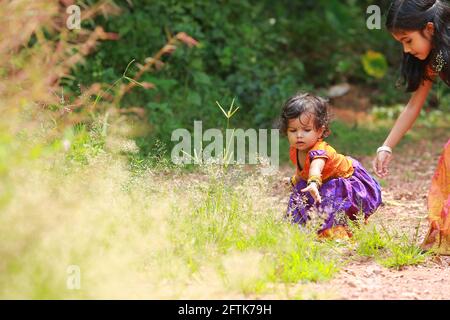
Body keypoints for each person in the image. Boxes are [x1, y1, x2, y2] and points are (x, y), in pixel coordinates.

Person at [373, 0, 450, 254]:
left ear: (429, 28)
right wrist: (386, 146)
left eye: (408, 40)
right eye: (401, 43)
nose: (406, 50)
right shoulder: (437, 59)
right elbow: (413, 105)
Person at [280, 93, 382, 238]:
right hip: (318, 180)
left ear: (320, 130)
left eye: (306, 130)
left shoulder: (319, 151)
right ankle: (301, 227)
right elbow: (303, 169)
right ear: (286, 131)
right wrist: (294, 180)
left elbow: (315, 167)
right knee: (300, 198)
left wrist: (314, 182)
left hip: (339, 178)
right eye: (293, 130)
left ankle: (338, 230)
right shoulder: (296, 150)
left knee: (333, 206)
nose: (299, 135)